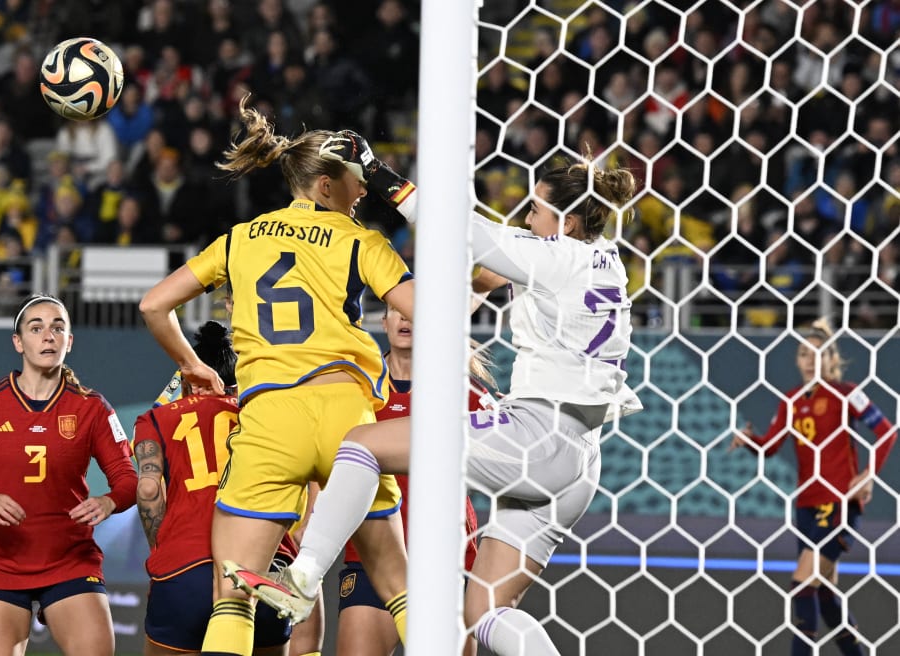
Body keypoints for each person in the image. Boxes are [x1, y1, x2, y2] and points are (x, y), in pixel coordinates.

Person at [229, 134, 643, 656]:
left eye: (536, 210)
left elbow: (455, 229)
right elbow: (507, 265)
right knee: (486, 613)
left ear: (569, 223)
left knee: (361, 444)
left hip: (539, 437)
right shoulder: (606, 261)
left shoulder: (556, 259)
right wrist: (481, 286)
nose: (527, 218)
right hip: (580, 461)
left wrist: (376, 171)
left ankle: (303, 577)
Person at [138, 99, 416, 656]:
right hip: (348, 424)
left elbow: (153, 305)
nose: (362, 192)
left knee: (232, 599)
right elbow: (426, 312)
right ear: (324, 186)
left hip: (269, 423)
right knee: (402, 591)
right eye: (356, 181)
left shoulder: (239, 238)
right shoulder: (361, 241)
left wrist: (192, 365)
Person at [0, 293, 139, 656]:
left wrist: (109, 502)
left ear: (69, 341)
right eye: (36, 328)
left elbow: (128, 479)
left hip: (69, 559)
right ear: (18, 342)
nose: (48, 336)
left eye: (57, 328)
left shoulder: (92, 408)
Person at [133, 320, 323, 656]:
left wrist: (161, 552)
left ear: (188, 380)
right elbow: (314, 470)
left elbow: (148, 490)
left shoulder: (156, 419)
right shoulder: (263, 415)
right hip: (265, 570)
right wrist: (299, 532)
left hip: (184, 569)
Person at [730, 318, 896, 656]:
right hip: (805, 505)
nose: (810, 359)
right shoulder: (790, 400)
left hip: (837, 503)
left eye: (818, 353)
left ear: (831, 359)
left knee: (802, 585)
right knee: (823, 593)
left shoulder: (846, 393)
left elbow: (886, 431)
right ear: (797, 359)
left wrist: (868, 475)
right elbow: (770, 447)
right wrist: (750, 441)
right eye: (804, 353)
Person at [336, 305, 493, 656]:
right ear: (383, 321)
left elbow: (510, 453)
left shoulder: (460, 390)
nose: (405, 318)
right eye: (397, 310)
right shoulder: (356, 387)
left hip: (444, 556)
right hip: (373, 555)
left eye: (415, 309)